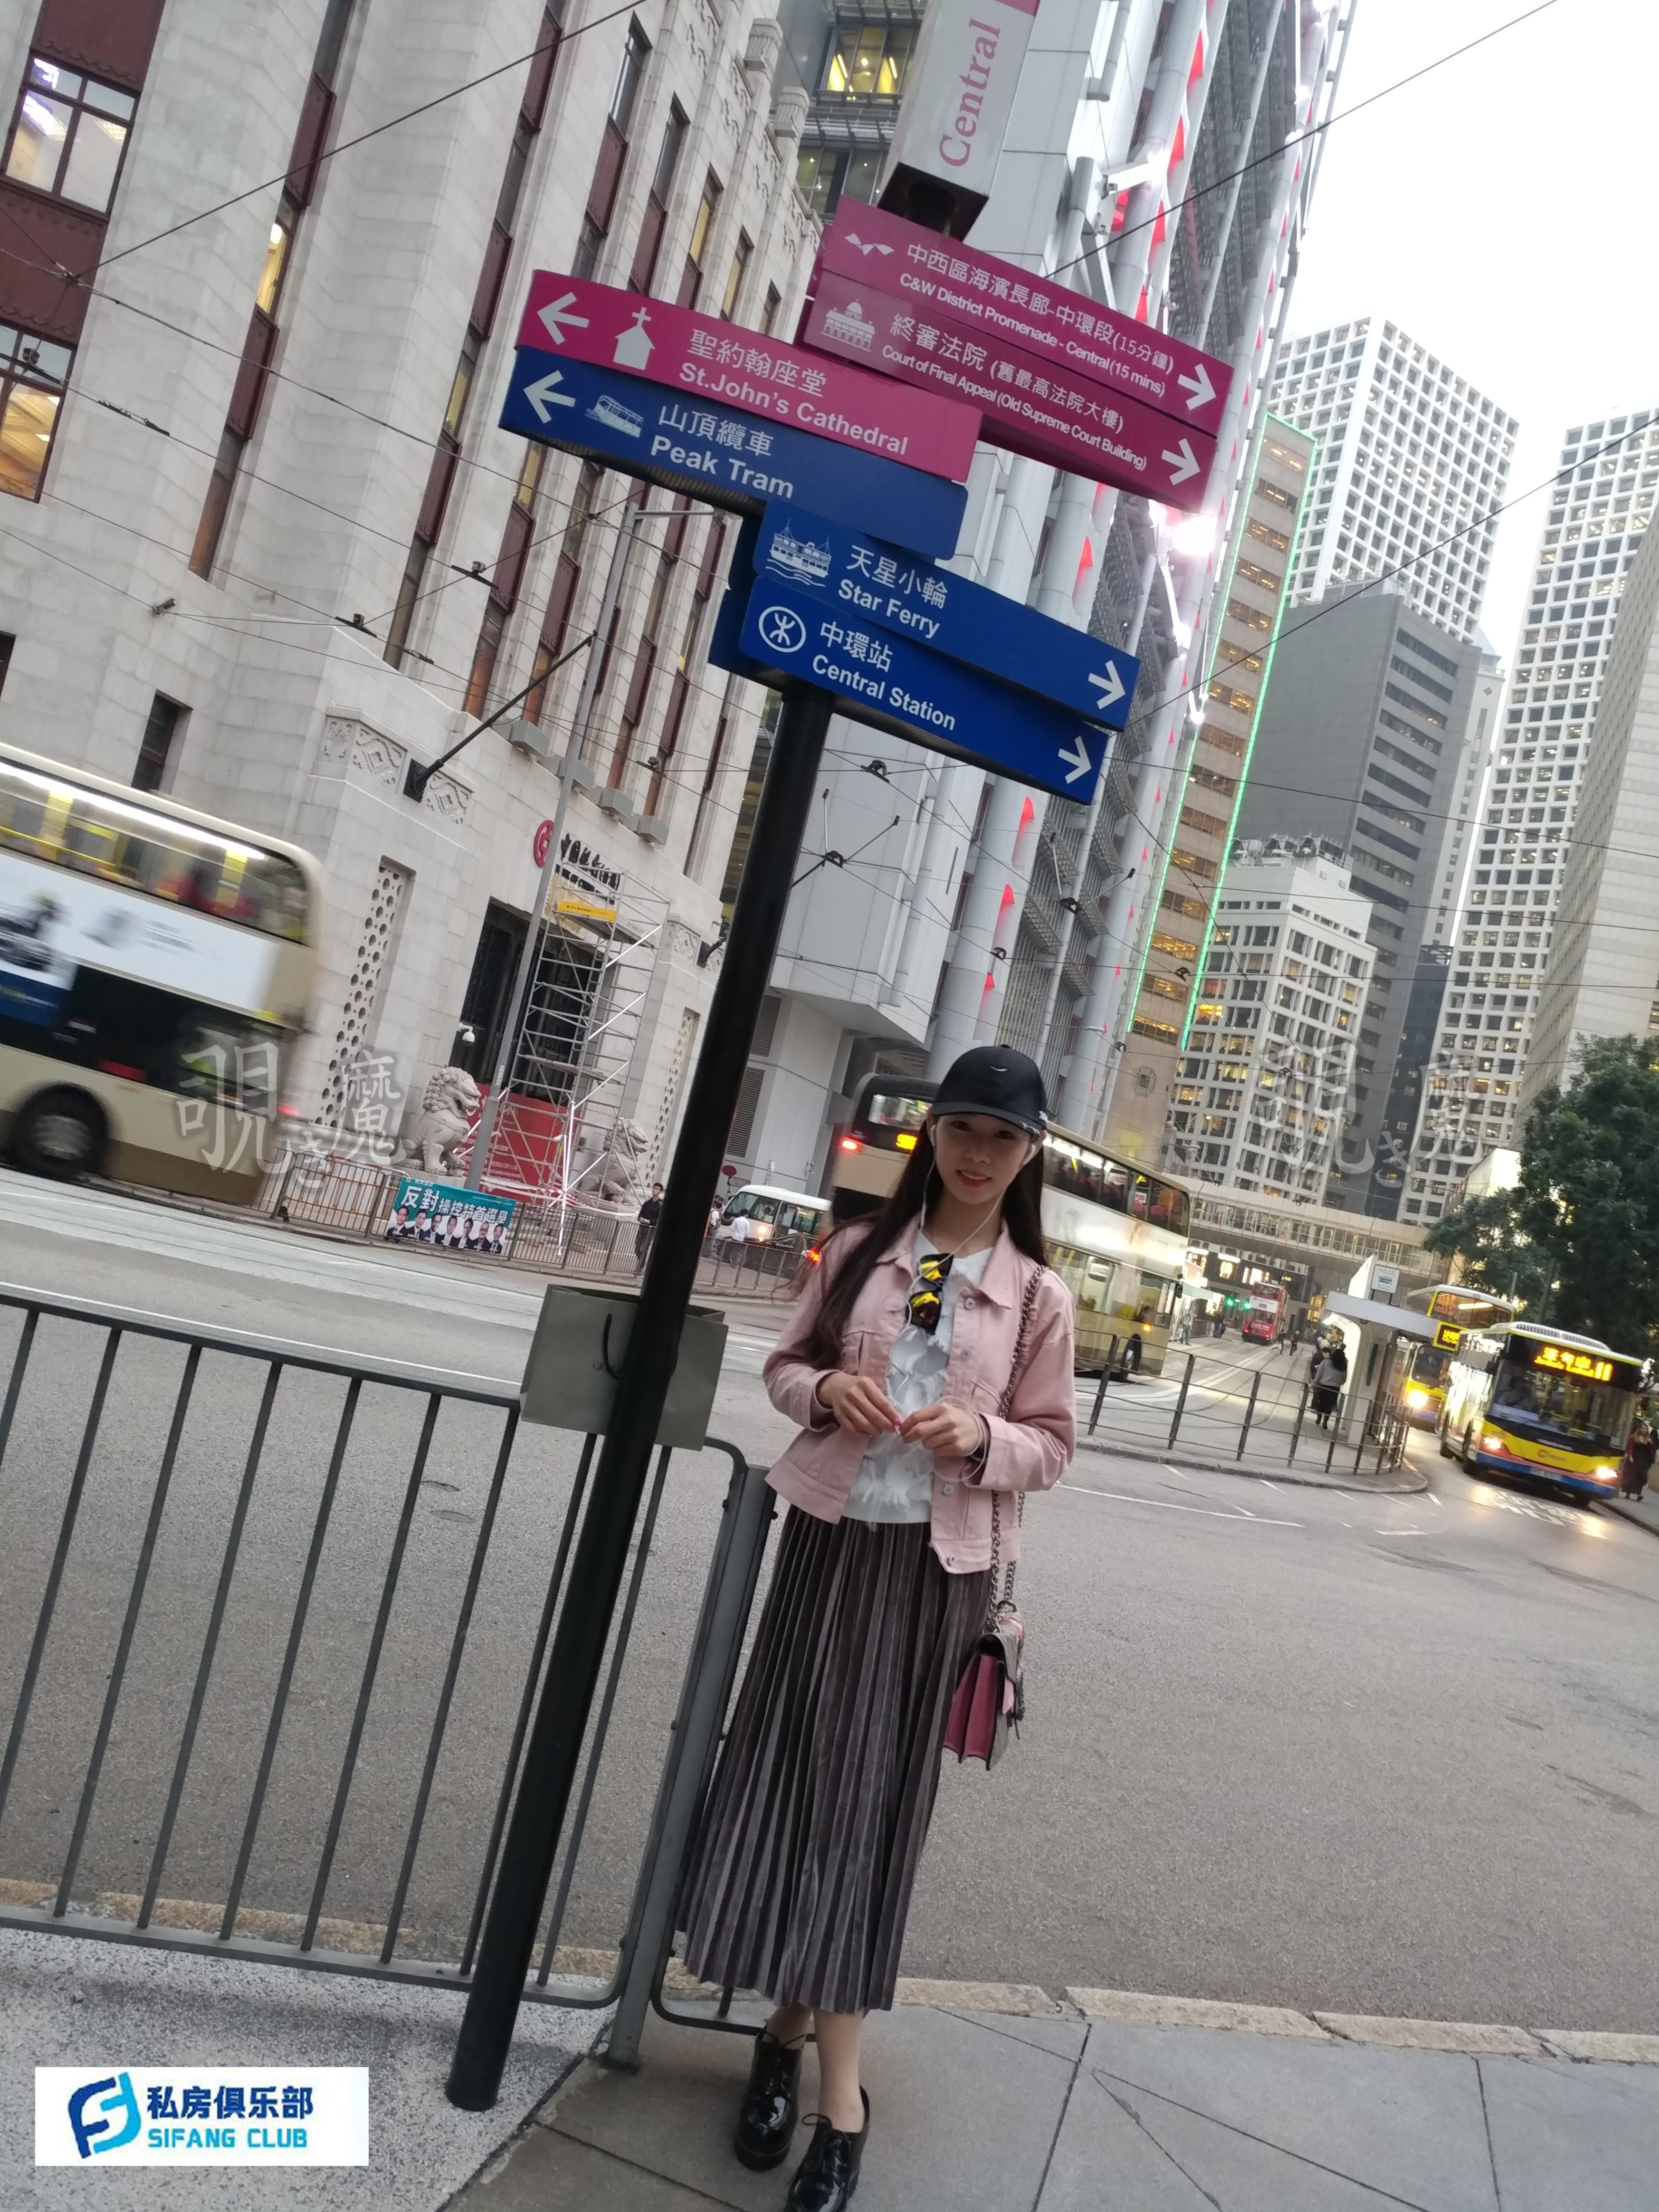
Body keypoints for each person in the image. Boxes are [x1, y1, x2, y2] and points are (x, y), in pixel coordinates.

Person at [678, 1048, 1075, 2212]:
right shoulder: (860, 1250)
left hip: (934, 1575)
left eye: (1001, 1137)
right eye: (961, 1129)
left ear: (1028, 1154)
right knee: (793, 1781)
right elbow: (783, 1367)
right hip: (827, 1547)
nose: (977, 1153)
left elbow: (1051, 1445)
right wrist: (821, 1394)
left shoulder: (1039, 1298)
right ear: (931, 1134)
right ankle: (780, 2037)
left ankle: (834, 2099)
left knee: (865, 1814)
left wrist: (982, 1438)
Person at [1311, 1336, 1348, 1429]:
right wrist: (1339, 1384)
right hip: (1335, 1389)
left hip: (1324, 1386)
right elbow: (1344, 1379)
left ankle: (1319, 1418)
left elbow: (1319, 1372)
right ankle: (1326, 1421)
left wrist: (1315, 1382)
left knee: (1321, 1403)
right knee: (1329, 1405)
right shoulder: (1343, 1366)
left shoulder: (1327, 1362)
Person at [1618, 1418, 1655, 1499]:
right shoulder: (1634, 1437)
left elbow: (1652, 1450)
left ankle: (1639, 1494)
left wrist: (1651, 1444)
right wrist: (1631, 1456)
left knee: (1641, 1478)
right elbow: (1631, 1447)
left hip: (1644, 1461)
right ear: (1640, 1429)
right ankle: (1628, 1494)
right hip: (1634, 1460)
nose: (1644, 1430)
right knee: (1631, 1477)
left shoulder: (1649, 1439)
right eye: (1643, 1428)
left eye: (1646, 1429)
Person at [636, 1182, 664, 1272]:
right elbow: (641, 1214)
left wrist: (651, 1222)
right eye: (654, 1188)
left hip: (651, 1229)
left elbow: (660, 1219)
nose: (655, 1190)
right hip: (642, 1228)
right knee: (637, 1247)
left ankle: (639, 1269)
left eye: (657, 1189)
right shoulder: (647, 1203)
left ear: (660, 1192)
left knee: (645, 1247)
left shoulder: (660, 1205)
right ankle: (642, 1260)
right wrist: (640, 1218)